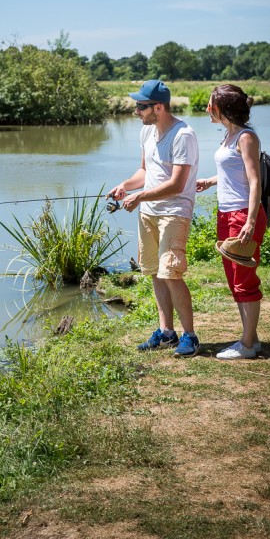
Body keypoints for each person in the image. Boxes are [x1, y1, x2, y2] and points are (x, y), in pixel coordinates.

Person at [108, 79, 200, 358]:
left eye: (141, 106)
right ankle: (167, 333)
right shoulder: (147, 133)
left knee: (171, 273)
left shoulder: (183, 135)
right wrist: (127, 185)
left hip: (173, 212)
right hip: (149, 213)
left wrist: (140, 197)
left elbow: (177, 184)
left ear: (158, 107)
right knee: (155, 274)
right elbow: (145, 172)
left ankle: (191, 337)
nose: (136, 111)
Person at [196, 84, 267, 360]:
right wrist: (210, 180)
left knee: (244, 280)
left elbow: (254, 181)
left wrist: (250, 221)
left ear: (223, 109)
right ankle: (252, 339)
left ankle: (247, 346)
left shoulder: (246, 137)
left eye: (210, 105)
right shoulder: (229, 135)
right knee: (233, 279)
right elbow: (232, 171)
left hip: (241, 215)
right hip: (226, 213)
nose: (206, 109)